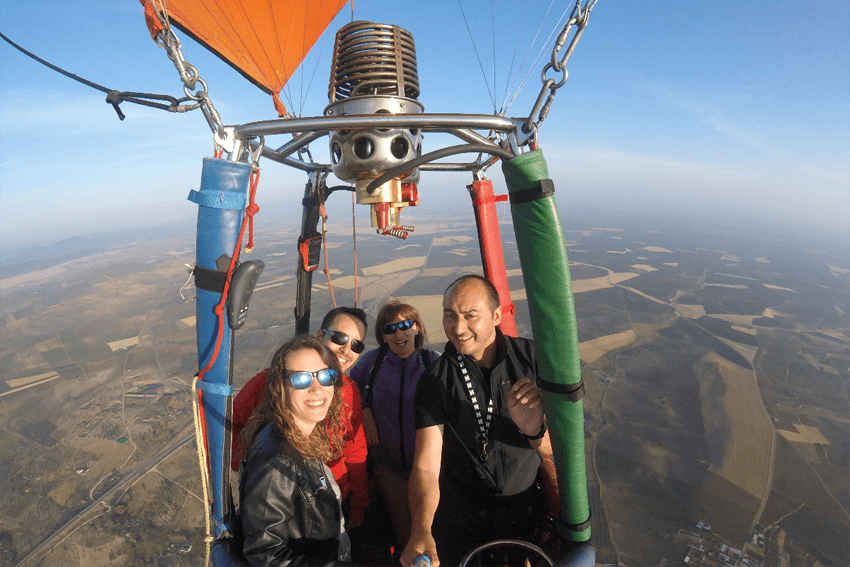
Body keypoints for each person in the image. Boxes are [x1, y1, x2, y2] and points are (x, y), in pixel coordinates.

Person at [400, 275, 553, 567]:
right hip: (462, 515)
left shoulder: (531, 359)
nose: (457, 328)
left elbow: (552, 448)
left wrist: (534, 429)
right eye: (449, 316)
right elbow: (426, 466)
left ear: (496, 316)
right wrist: (421, 528)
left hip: (525, 509)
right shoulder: (435, 381)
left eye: (470, 316)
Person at [232, 307, 370, 528]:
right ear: (319, 335)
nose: (346, 350)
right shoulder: (270, 382)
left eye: (356, 345)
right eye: (339, 338)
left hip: (333, 500)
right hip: (283, 505)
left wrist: (359, 506)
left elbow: (355, 450)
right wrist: (259, 471)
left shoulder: (349, 392)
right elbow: (233, 427)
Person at [239, 335, 351, 566]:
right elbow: (266, 556)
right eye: (301, 380)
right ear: (280, 386)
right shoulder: (278, 463)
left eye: (326, 376)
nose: (317, 389)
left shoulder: (298, 435)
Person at [349, 302, 440, 550]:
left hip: (427, 466)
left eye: (404, 325)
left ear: (417, 328)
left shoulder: (433, 363)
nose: (398, 334)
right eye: (390, 329)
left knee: (431, 529)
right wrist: (365, 409)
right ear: (383, 336)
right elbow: (349, 387)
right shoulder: (372, 362)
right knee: (404, 530)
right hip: (388, 465)